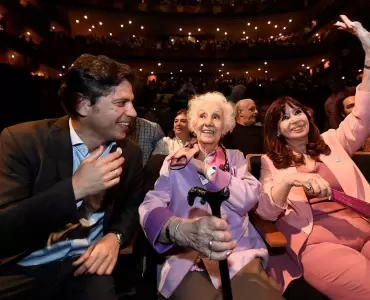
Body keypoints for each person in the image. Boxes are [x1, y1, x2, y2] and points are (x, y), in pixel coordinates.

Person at [256, 16, 370, 299]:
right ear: (277, 130)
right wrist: (293, 181)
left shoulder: (333, 141)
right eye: (284, 118)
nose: (295, 120)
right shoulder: (270, 162)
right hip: (319, 244)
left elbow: (365, 112)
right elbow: (265, 211)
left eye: (297, 112)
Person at [0, 54, 144, 300]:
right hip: (21, 268)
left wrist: (115, 237)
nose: (132, 112)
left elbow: (131, 206)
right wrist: (76, 189)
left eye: (131, 102)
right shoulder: (22, 141)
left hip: (85, 266)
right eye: (121, 103)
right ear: (83, 105)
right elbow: (5, 227)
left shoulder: (129, 153)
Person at [139, 92, 282, 300]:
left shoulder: (236, 158)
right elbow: (152, 203)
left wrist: (205, 168)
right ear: (194, 124)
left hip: (238, 254)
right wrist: (177, 228)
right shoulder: (173, 161)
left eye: (216, 117)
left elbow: (249, 198)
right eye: (202, 116)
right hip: (188, 260)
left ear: (225, 126)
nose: (208, 123)